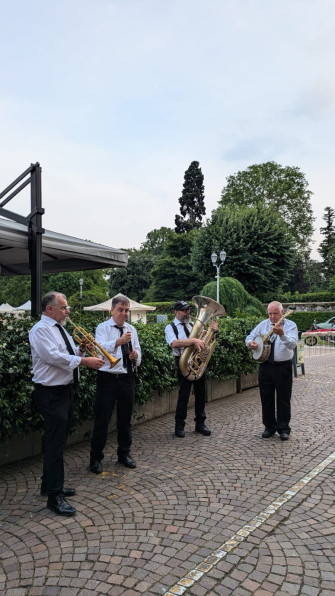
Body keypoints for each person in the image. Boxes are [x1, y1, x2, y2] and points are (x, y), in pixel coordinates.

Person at [29, 291, 104, 516]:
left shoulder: (60, 328)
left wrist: (82, 349)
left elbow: (68, 354)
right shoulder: (40, 330)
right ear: (49, 309)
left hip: (64, 391)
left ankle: (49, 485)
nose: (67, 311)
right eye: (63, 307)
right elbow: (54, 357)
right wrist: (84, 360)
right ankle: (54, 497)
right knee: (55, 444)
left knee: (56, 441)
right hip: (51, 393)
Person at [89, 294, 141, 474]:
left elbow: (138, 352)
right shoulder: (102, 327)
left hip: (127, 378)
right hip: (107, 379)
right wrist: (118, 342)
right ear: (112, 310)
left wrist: (136, 356)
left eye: (127, 310)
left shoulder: (132, 329)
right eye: (120, 310)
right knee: (101, 420)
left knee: (125, 420)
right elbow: (98, 350)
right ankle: (95, 458)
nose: (124, 314)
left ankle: (124, 454)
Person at [245, 301, 298, 441]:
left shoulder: (291, 325)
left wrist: (282, 335)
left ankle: (284, 429)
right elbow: (249, 337)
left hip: (283, 367)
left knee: (284, 398)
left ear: (282, 312)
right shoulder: (263, 324)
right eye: (270, 313)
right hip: (265, 366)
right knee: (266, 397)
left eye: (275, 313)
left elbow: (293, 344)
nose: (272, 316)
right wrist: (251, 343)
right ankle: (269, 427)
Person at [165, 300, 216, 438]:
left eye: (188, 309)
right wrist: (193, 341)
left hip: (197, 363)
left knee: (201, 394)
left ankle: (200, 424)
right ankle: (179, 426)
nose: (188, 312)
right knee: (184, 396)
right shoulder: (170, 327)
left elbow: (205, 343)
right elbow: (174, 343)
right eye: (184, 310)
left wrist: (213, 332)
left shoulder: (194, 325)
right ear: (176, 312)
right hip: (182, 362)